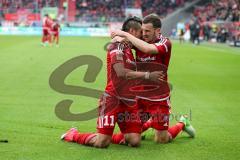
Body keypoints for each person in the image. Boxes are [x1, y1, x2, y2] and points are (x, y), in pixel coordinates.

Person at [61, 17, 164, 148]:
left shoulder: (129, 48)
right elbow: (121, 72)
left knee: (135, 141)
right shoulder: (116, 45)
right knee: (101, 143)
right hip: (112, 99)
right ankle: (73, 134)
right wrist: (148, 75)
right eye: (140, 32)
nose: (143, 36)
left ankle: (136, 129)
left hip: (129, 101)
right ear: (132, 31)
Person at [111, 14, 195, 144]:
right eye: (142, 30)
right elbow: (114, 39)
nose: (143, 34)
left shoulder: (165, 43)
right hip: (139, 95)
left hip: (158, 97)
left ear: (157, 31)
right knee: (128, 136)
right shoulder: (140, 40)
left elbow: (147, 49)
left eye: (147, 31)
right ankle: (149, 123)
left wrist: (124, 34)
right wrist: (118, 37)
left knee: (161, 139)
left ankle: (182, 123)